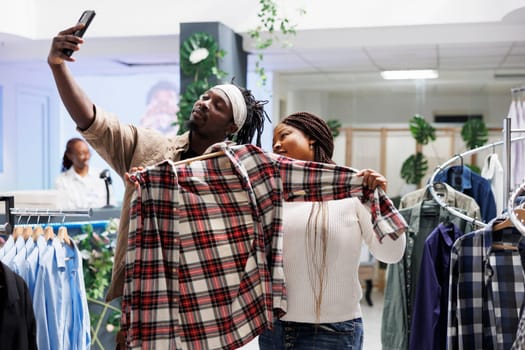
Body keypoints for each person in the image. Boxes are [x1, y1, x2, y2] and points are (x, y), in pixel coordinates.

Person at [47, 23, 269, 307]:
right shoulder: (149, 149)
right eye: (205, 97)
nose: (204, 103)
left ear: (232, 126)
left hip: (205, 305)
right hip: (143, 300)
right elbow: (94, 122)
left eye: (217, 105)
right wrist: (57, 66)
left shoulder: (236, 175)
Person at [258, 112, 406, 349]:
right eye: (273, 141)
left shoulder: (352, 192)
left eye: (284, 135)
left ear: (312, 139)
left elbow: (391, 253)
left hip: (333, 332)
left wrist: (377, 202)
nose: (276, 145)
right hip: (274, 330)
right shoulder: (272, 198)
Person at [54, 137, 109, 209]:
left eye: (88, 152)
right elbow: (64, 209)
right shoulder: (62, 181)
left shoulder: (102, 176)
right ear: (69, 155)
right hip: (74, 220)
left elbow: (111, 205)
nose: (87, 157)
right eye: (81, 153)